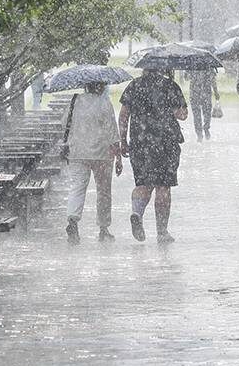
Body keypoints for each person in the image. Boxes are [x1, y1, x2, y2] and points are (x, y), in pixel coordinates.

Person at [118, 68, 188, 244]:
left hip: (140, 143)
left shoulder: (134, 86)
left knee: (143, 183)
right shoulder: (170, 86)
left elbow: (124, 115)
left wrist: (123, 140)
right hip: (166, 143)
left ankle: (137, 212)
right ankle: (162, 231)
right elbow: (183, 115)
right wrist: (169, 106)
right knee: (163, 186)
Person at [63, 82, 123, 244]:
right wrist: (118, 157)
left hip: (77, 152)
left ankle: (73, 221)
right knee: (103, 191)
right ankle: (103, 229)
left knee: (77, 187)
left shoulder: (74, 102)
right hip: (102, 154)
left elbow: (65, 126)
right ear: (101, 87)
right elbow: (112, 131)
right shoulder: (104, 103)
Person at [186, 68, 220, 142]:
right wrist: (216, 92)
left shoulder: (192, 65)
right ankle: (202, 131)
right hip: (202, 94)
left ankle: (201, 132)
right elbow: (213, 80)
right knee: (204, 114)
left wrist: (216, 91)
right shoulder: (208, 65)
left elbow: (186, 77)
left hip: (197, 94)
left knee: (200, 115)